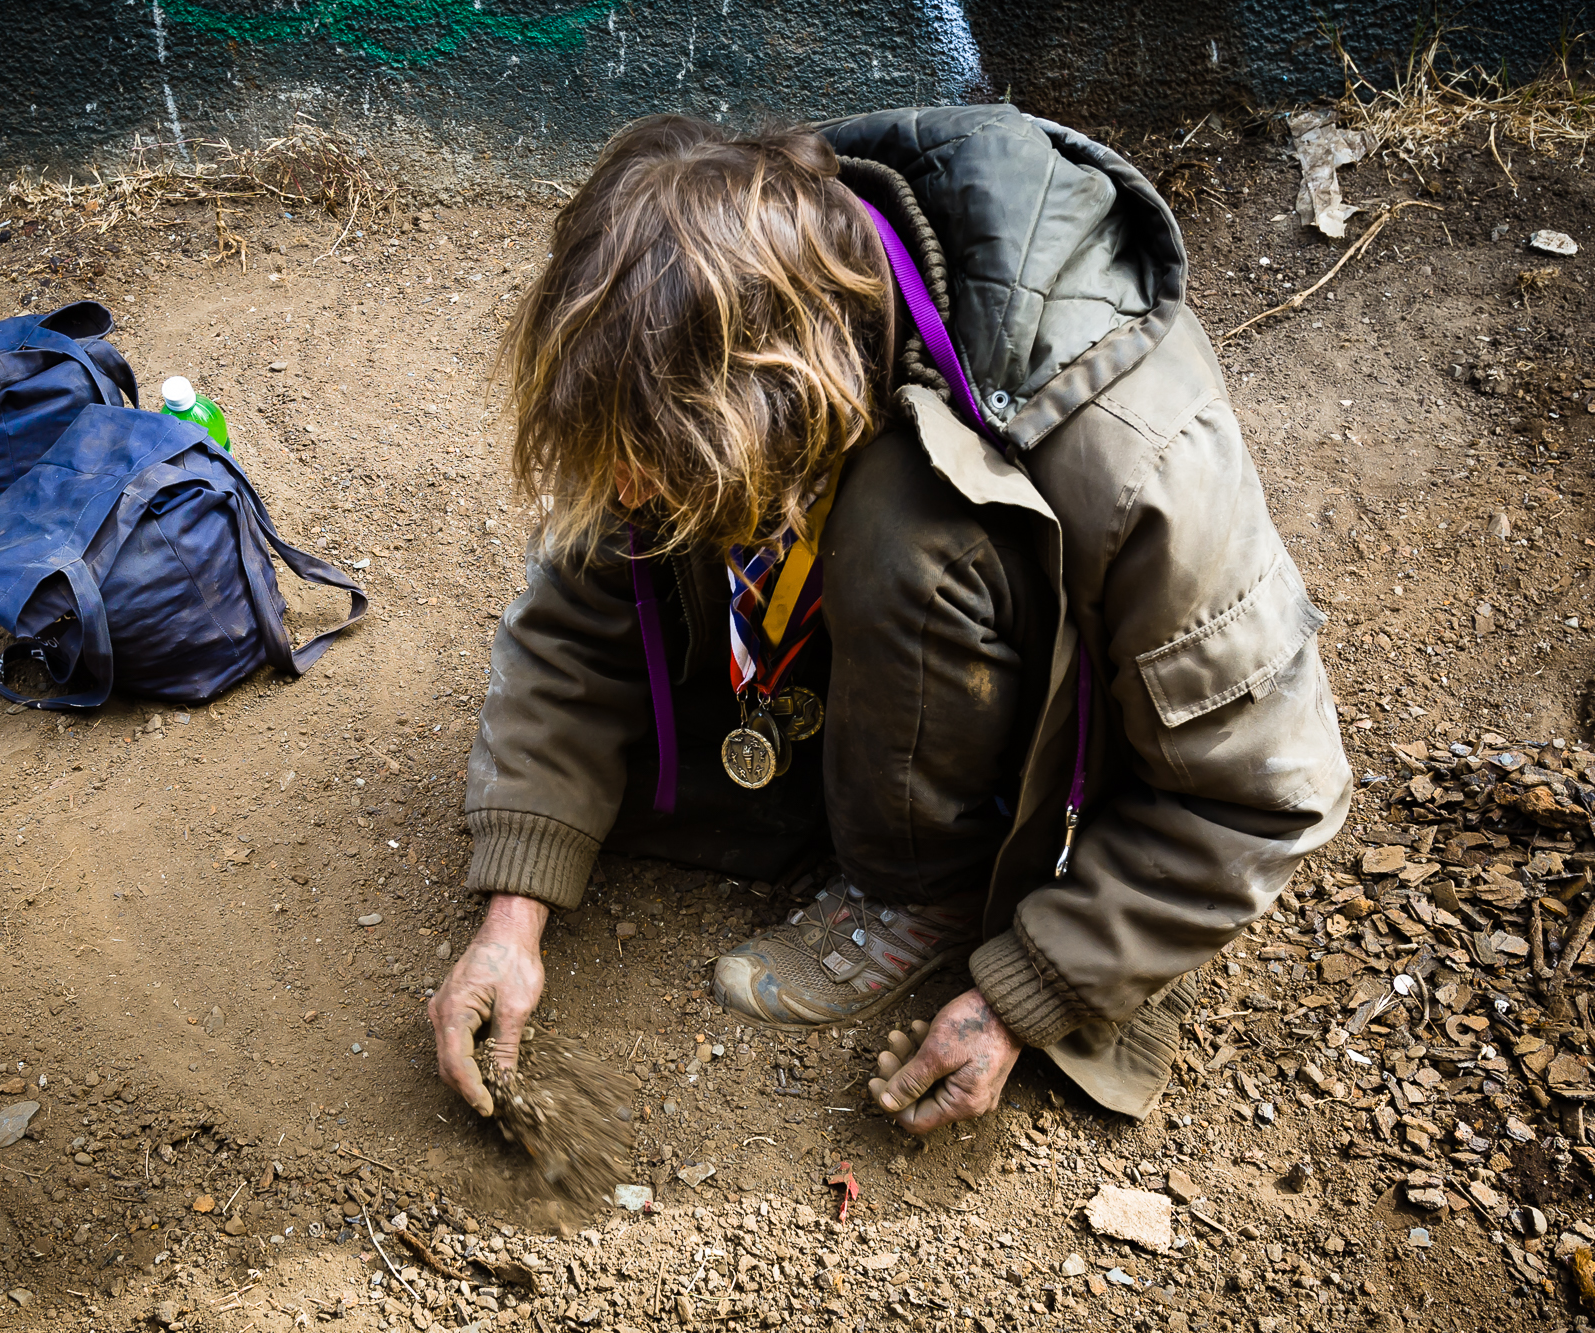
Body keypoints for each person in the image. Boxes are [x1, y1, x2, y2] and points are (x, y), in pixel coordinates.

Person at [429, 106, 1351, 1134]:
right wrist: (513, 912)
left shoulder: (1135, 445)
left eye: (654, 462)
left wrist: (1026, 991)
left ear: (790, 390)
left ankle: (920, 888)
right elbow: (580, 614)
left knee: (911, 525)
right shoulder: (719, 307)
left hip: (1036, 751)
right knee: (710, 504)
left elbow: (1268, 791)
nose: (626, 489)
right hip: (865, 609)